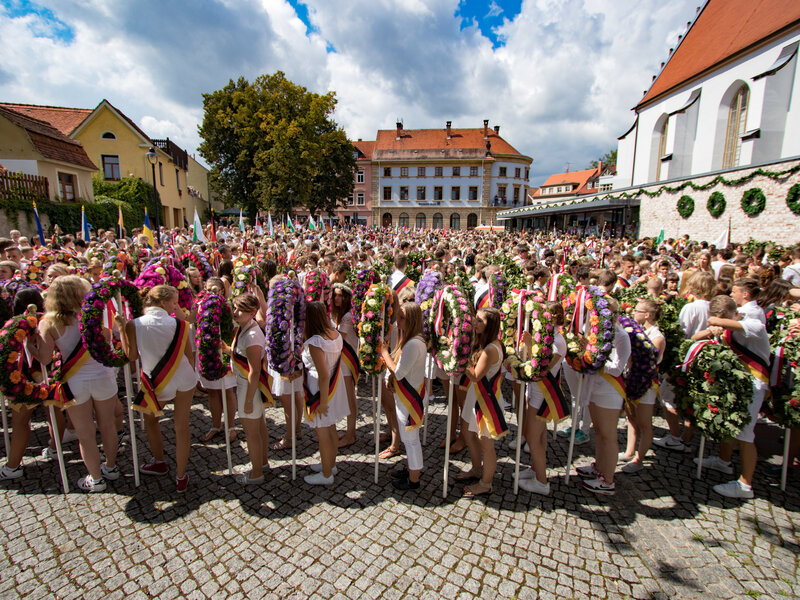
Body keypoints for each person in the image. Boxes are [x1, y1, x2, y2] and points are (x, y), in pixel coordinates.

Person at [32, 275, 119, 492]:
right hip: (102, 375)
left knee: (85, 432)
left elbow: (45, 359)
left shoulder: (48, 322)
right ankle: (111, 466)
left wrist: (29, 345)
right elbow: (107, 341)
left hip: (75, 381)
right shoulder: (95, 314)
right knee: (107, 425)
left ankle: (96, 478)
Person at [116, 285, 197, 493]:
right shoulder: (181, 324)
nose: (176, 306)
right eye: (173, 302)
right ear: (163, 303)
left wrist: (122, 330)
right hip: (185, 378)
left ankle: (159, 461)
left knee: (151, 420)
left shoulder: (134, 325)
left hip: (157, 382)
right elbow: (189, 355)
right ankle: (181, 476)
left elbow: (131, 356)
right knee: (182, 427)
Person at [694, 295, 771, 499]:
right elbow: (697, 336)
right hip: (736, 381)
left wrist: (716, 322)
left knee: (745, 433)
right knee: (730, 423)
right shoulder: (730, 325)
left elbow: (718, 322)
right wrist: (711, 328)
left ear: (731, 314)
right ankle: (723, 461)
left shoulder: (752, 323)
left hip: (754, 383)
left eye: (722, 317)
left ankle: (745, 485)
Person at [576, 297, 631, 495]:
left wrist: (591, 356)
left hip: (610, 390)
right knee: (598, 431)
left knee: (608, 435)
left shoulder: (621, 336)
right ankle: (599, 467)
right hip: (595, 386)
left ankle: (608, 480)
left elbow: (617, 369)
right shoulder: (598, 332)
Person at [456, 307, 506, 497]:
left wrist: (459, 356)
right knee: (468, 432)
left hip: (486, 399)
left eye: (480, 321)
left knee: (486, 443)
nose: (475, 323)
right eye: (475, 319)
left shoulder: (491, 348)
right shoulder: (484, 343)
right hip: (475, 395)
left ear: (490, 326)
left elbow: (476, 375)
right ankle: (476, 469)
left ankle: (486, 483)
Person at [519, 302, 567, 495]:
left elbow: (543, 367)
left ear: (554, 317)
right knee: (538, 435)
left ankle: (541, 481)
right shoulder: (549, 337)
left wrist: (531, 345)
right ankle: (535, 468)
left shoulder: (557, 342)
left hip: (544, 393)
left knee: (532, 436)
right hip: (535, 390)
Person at [380, 302, 427, 490]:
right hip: (405, 395)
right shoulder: (410, 340)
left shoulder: (414, 343)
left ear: (412, 320)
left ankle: (414, 479)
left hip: (410, 399)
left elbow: (399, 372)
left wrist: (384, 353)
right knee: (409, 439)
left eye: (401, 318)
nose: (397, 322)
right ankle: (410, 469)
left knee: (411, 440)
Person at [302, 301, 349, 485]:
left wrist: (322, 402)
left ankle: (326, 474)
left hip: (321, 390)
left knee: (322, 433)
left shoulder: (315, 341)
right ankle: (329, 464)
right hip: (334, 387)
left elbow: (322, 374)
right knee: (331, 429)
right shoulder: (336, 334)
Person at [225, 293, 270, 485]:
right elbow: (239, 355)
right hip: (245, 385)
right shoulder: (244, 328)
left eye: (240, 309)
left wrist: (249, 400)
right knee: (258, 427)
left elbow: (254, 370)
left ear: (252, 312)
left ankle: (256, 472)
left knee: (252, 432)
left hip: (248, 387)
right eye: (234, 308)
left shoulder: (252, 335)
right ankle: (263, 463)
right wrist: (226, 349)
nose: (235, 312)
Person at [619, 299, 665, 473]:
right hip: (632, 377)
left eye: (637, 310)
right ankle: (630, 451)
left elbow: (649, 360)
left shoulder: (657, 337)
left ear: (647, 315)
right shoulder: (636, 331)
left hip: (646, 382)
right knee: (631, 418)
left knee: (644, 422)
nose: (633, 313)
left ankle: (639, 458)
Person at [330, 283, 359, 448]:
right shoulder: (338, 315)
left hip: (347, 360)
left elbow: (338, 337)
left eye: (340, 295)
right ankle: (349, 431)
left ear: (347, 297)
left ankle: (351, 433)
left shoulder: (347, 316)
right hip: (340, 359)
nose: (336, 298)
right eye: (335, 295)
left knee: (350, 397)